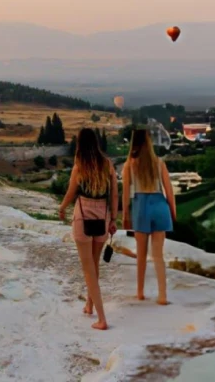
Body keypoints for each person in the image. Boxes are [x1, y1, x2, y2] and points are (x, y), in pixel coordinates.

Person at [58, 127, 118, 330]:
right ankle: (89, 305)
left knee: (88, 269)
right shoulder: (108, 164)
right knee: (94, 264)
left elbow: (70, 193)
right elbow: (115, 195)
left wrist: (62, 207)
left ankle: (102, 318)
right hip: (103, 216)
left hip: (82, 216)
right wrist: (113, 219)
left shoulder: (79, 167)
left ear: (80, 144)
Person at [122, 127, 176, 305]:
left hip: (141, 206)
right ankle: (163, 295)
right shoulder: (159, 163)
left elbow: (125, 193)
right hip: (160, 205)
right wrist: (173, 213)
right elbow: (169, 191)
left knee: (142, 255)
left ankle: (140, 292)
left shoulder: (130, 163)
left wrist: (125, 215)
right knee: (158, 255)